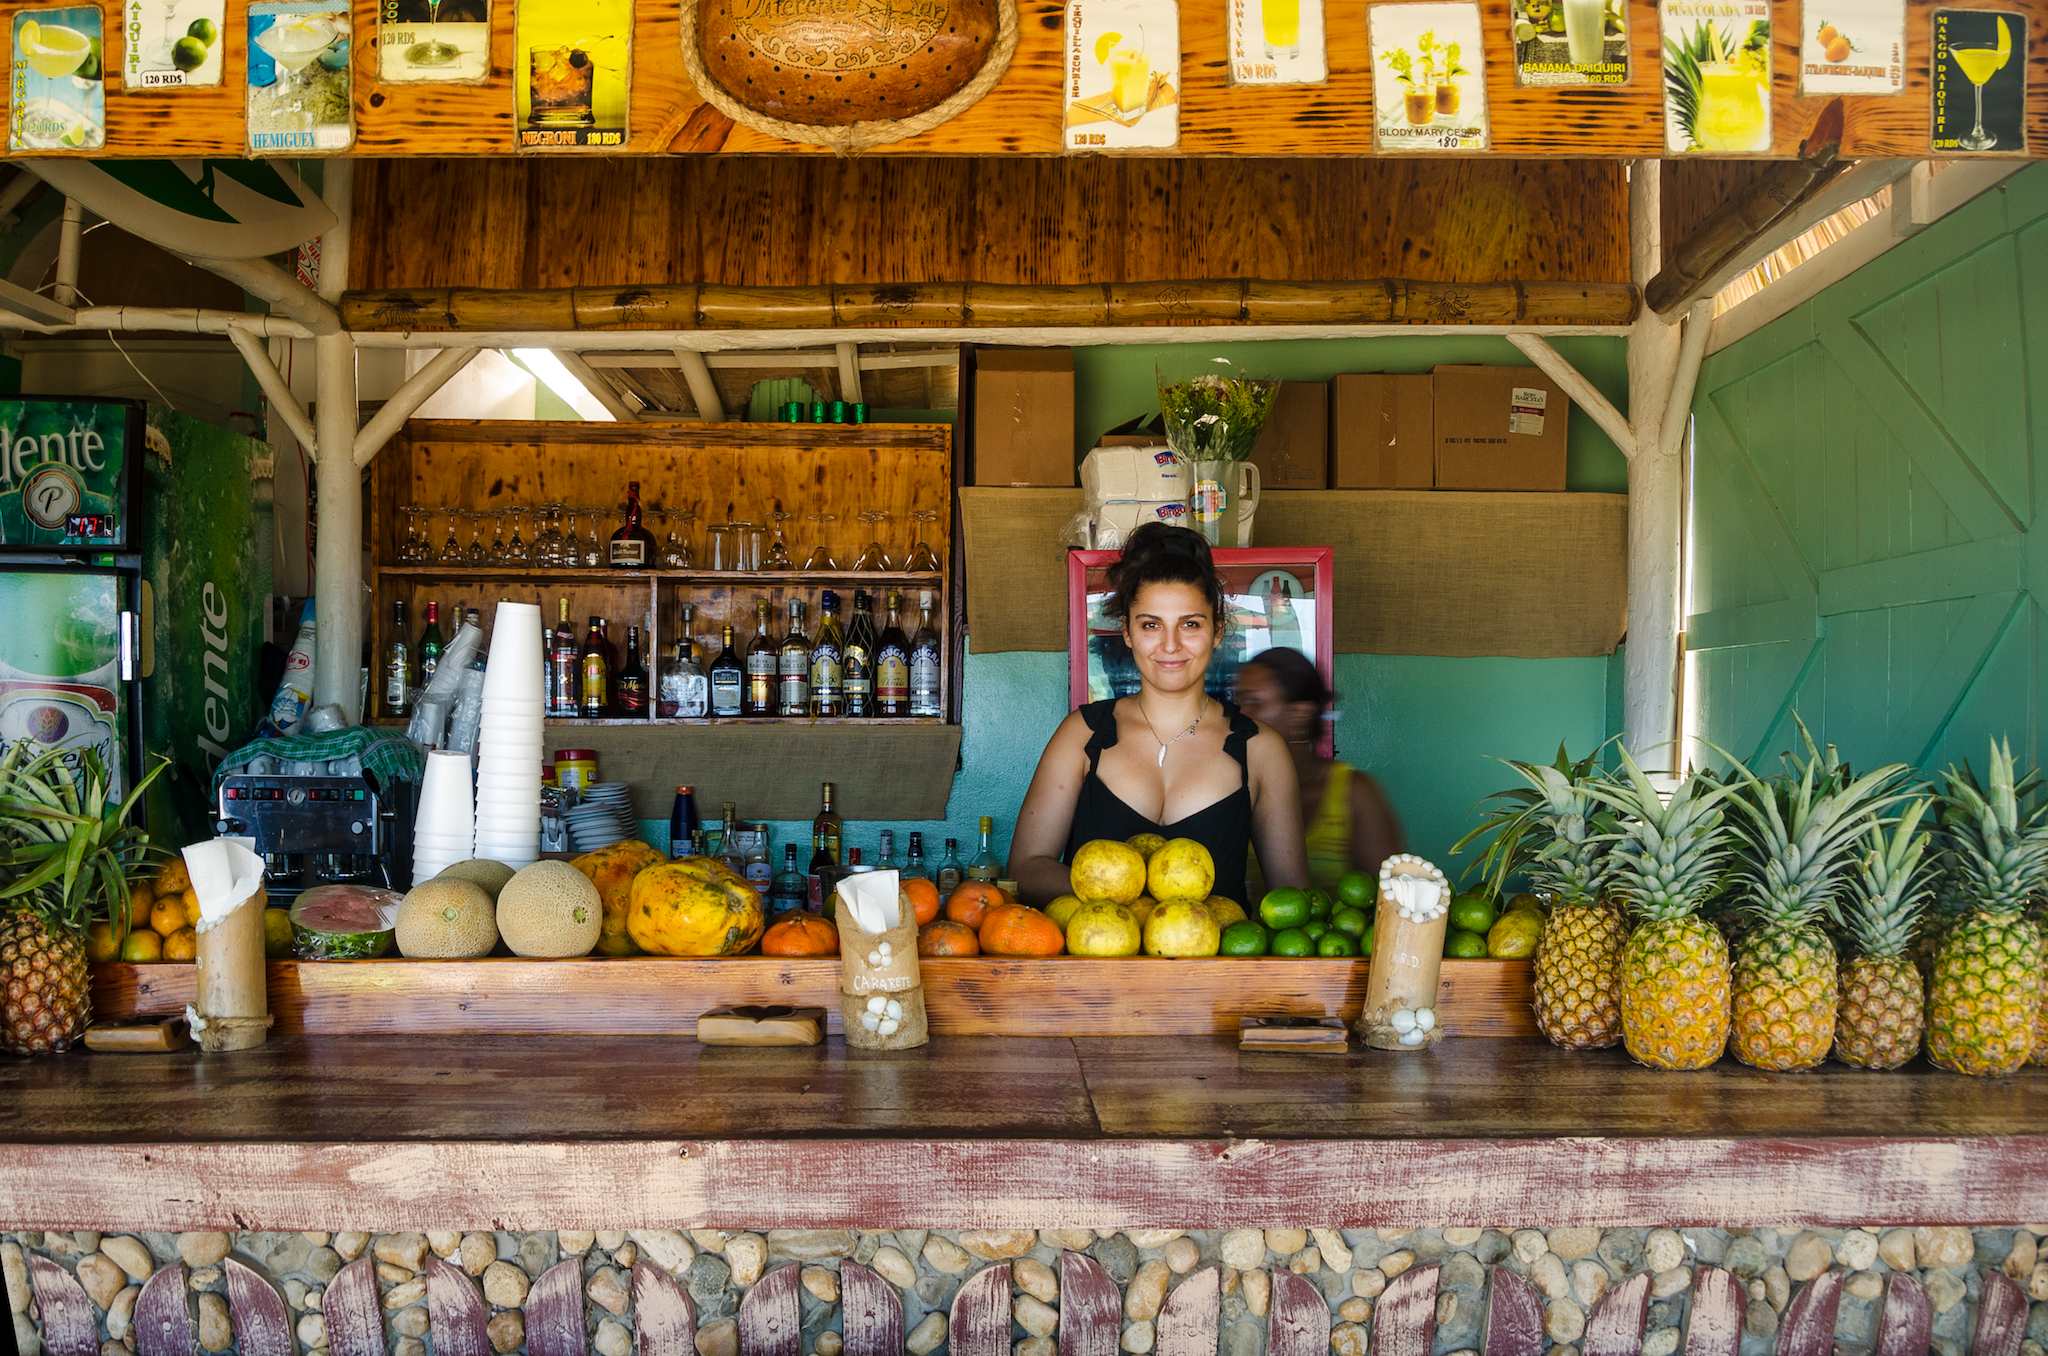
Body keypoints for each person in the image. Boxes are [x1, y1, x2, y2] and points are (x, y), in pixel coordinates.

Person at [1010, 523, 1309, 907]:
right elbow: (1026, 868)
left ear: (1217, 631)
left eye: (1190, 624)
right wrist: (1135, 901)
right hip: (1096, 962)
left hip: (1217, 969)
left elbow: (1293, 901)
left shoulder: (1262, 750)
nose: (1170, 645)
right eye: (1151, 624)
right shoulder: (1082, 735)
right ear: (1128, 632)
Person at [1234, 647, 1403, 893]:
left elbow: (1392, 897)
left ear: (1299, 714)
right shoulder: (1230, 788)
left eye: (1254, 703)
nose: (1240, 715)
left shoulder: (1354, 793)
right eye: (1238, 702)